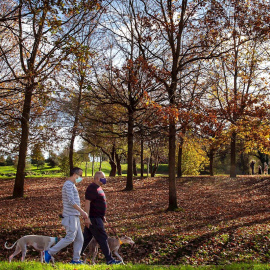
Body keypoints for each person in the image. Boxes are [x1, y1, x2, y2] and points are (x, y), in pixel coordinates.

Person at [44, 167, 88, 264]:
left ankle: (75, 260)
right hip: (70, 216)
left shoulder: (72, 185)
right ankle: (49, 252)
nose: (81, 178)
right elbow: (71, 201)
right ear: (74, 175)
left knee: (80, 239)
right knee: (70, 238)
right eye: (80, 175)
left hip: (74, 216)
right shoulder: (68, 185)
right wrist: (82, 212)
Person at [81, 171, 121, 265]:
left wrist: (102, 216)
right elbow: (87, 204)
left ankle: (75, 257)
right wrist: (86, 218)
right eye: (103, 177)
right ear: (98, 178)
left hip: (97, 218)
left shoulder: (99, 188)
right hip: (93, 219)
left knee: (86, 239)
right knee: (103, 238)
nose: (105, 179)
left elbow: (98, 203)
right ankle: (109, 260)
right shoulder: (92, 188)